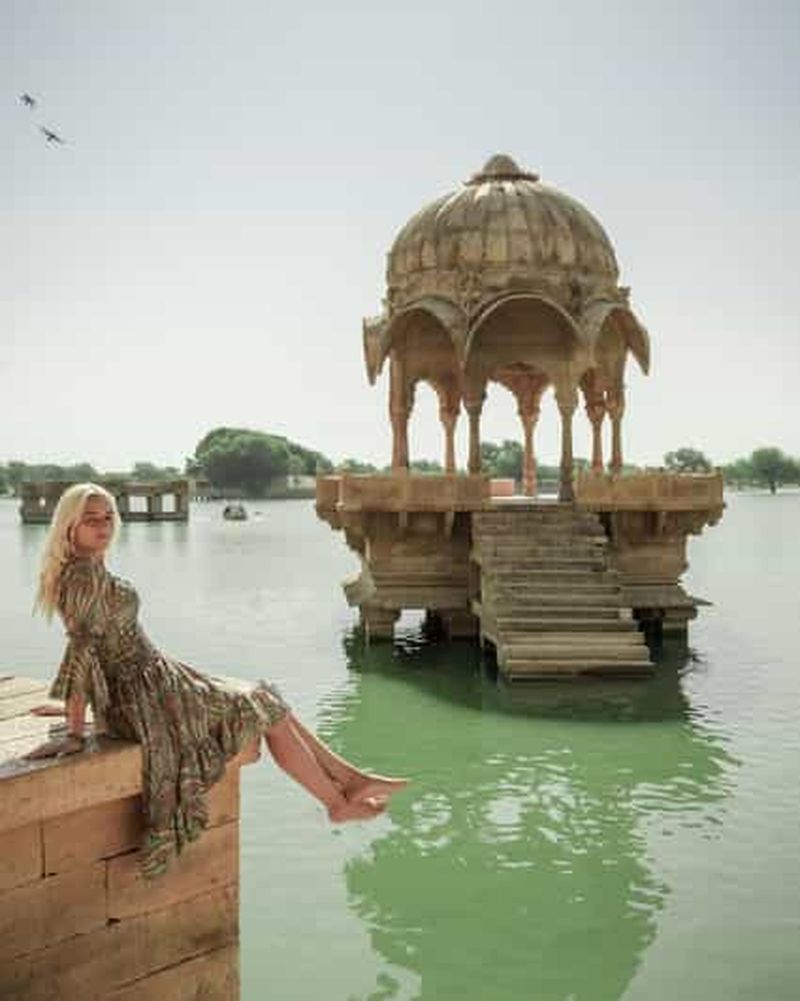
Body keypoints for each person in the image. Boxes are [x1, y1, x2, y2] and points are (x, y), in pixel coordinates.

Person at [27, 483, 407, 879]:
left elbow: (98, 650)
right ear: (69, 526)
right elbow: (83, 651)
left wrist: (85, 705)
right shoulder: (82, 577)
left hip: (154, 678)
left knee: (264, 698)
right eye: (91, 519)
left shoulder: (88, 566)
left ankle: (350, 781)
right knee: (263, 705)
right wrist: (75, 730)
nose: (103, 526)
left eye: (108, 517)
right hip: (143, 696)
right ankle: (337, 801)